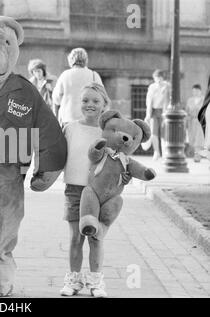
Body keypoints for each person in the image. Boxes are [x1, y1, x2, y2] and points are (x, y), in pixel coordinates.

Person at [59, 83, 130, 298]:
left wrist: (124, 178)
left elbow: (120, 161)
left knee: (96, 237)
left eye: (95, 101)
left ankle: (96, 282)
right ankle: (73, 279)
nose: (90, 104)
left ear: (105, 105)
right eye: (85, 100)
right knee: (75, 238)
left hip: (99, 193)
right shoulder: (69, 128)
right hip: (74, 189)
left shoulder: (110, 133)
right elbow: (58, 156)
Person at [52, 48, 103, 125]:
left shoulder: (65, 75)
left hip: (68, 118)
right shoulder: (94, 75)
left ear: (71, 60)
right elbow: (103, 97)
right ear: (86, 60)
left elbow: (56, 99)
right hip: (89, 119)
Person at [144, 69, 171, 160]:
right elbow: (149, 101)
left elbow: (169, 99)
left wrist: (166, 89)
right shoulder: (152, 87)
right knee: (153, 134)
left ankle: (164, 153)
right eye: (156, 78)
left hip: (165, 112)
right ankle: (157, 152)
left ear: (163, 78)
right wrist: (148, 114)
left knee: (164, 134)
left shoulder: (167, 86)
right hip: (154, 112)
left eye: (160, 78)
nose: (158, 80)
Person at [185, 84, 205, 162]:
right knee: (192, 139)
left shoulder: (204, 99)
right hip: (191, 121)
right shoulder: (190, 100)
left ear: (200, 91)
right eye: (194, 91)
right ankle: (196, 154)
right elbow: (187, 111)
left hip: (201, 121)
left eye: (197, 91)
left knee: (199, 139)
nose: (195, 93)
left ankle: (197, 156)